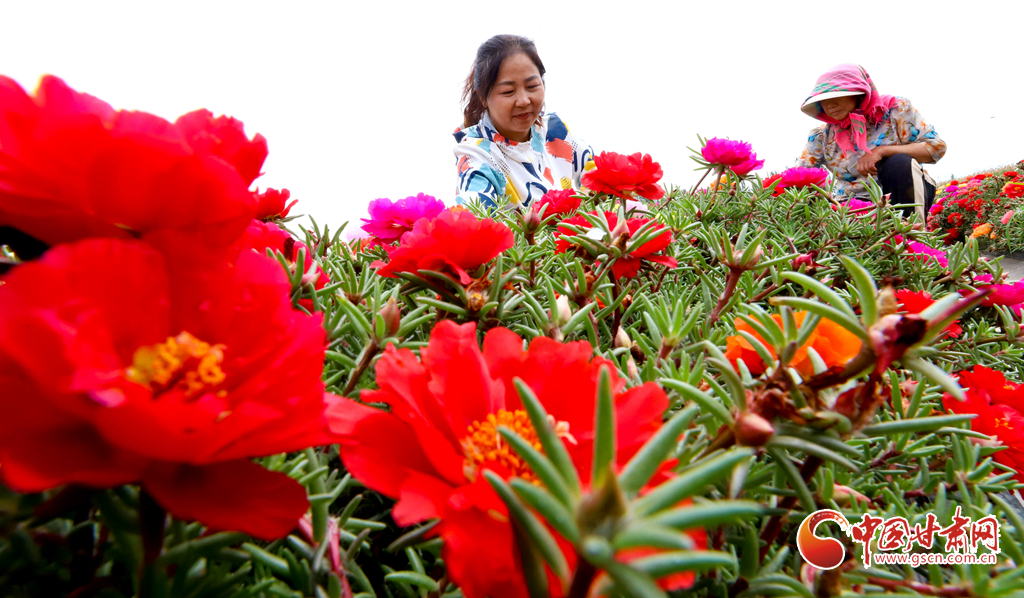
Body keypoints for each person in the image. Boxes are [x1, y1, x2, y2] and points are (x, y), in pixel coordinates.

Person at [454, 35, 593, 209]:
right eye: (508, 91)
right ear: (482, 97)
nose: (523, 101)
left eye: (532, 86)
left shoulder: (554, 131)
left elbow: (601, 179)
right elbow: (476, 218)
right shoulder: (475, 157)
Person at [796, 64, 946, 218]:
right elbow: (800, 177)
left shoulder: (894, 111)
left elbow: (936, 147)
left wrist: (882, 151)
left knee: (899, 161)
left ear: (859, 94)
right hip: (852, 206)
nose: (830, 105)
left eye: (836, 96)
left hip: (903, 192)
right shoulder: (821, 136)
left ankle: (911, 228)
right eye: (823, 100)